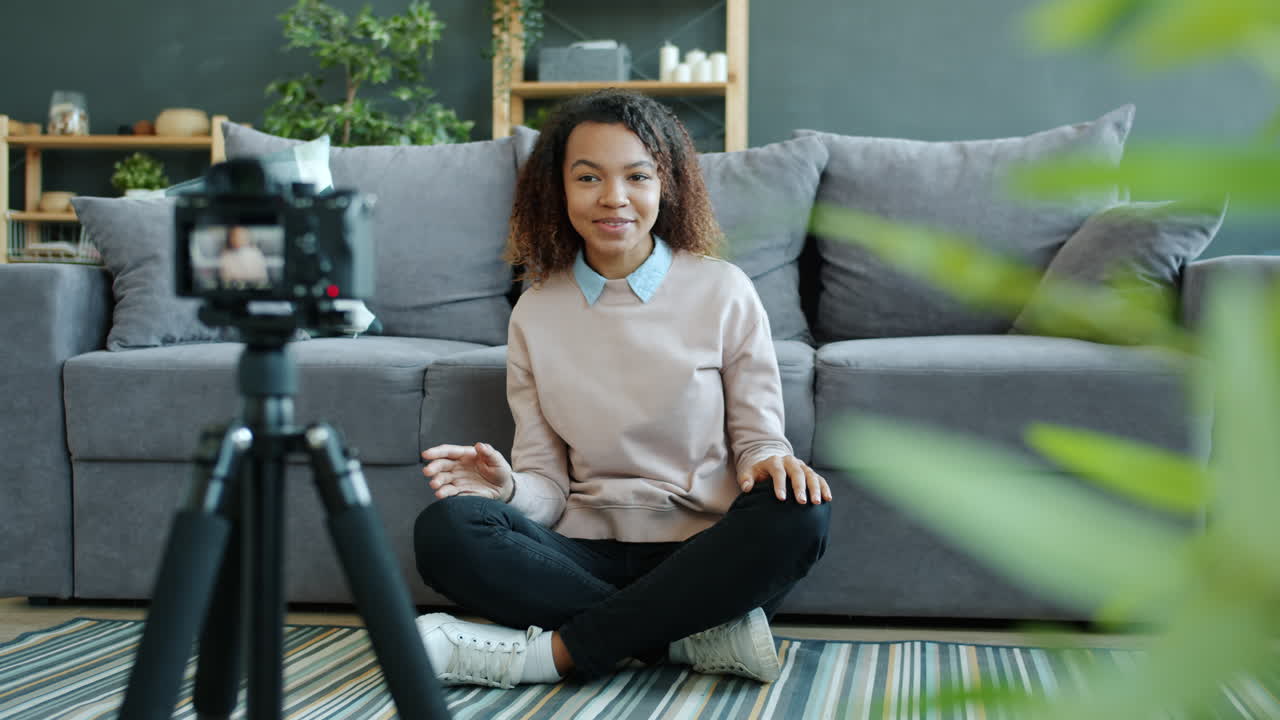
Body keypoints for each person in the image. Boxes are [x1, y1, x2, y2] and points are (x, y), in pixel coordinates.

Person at [413, 89, 831, 690]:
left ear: (667, 185)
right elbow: (548, 484)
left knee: (801, 515)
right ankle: (687, 635)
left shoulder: (724, 289)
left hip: (703, 551)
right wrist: (508, 488)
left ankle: (548, 657)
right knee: (447, 530)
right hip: (583, 548)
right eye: (588, 178)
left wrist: (775, 464)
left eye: (637, 176)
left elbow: (759, 440)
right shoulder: (535, 310)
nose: (614, 198)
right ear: (557, 188)